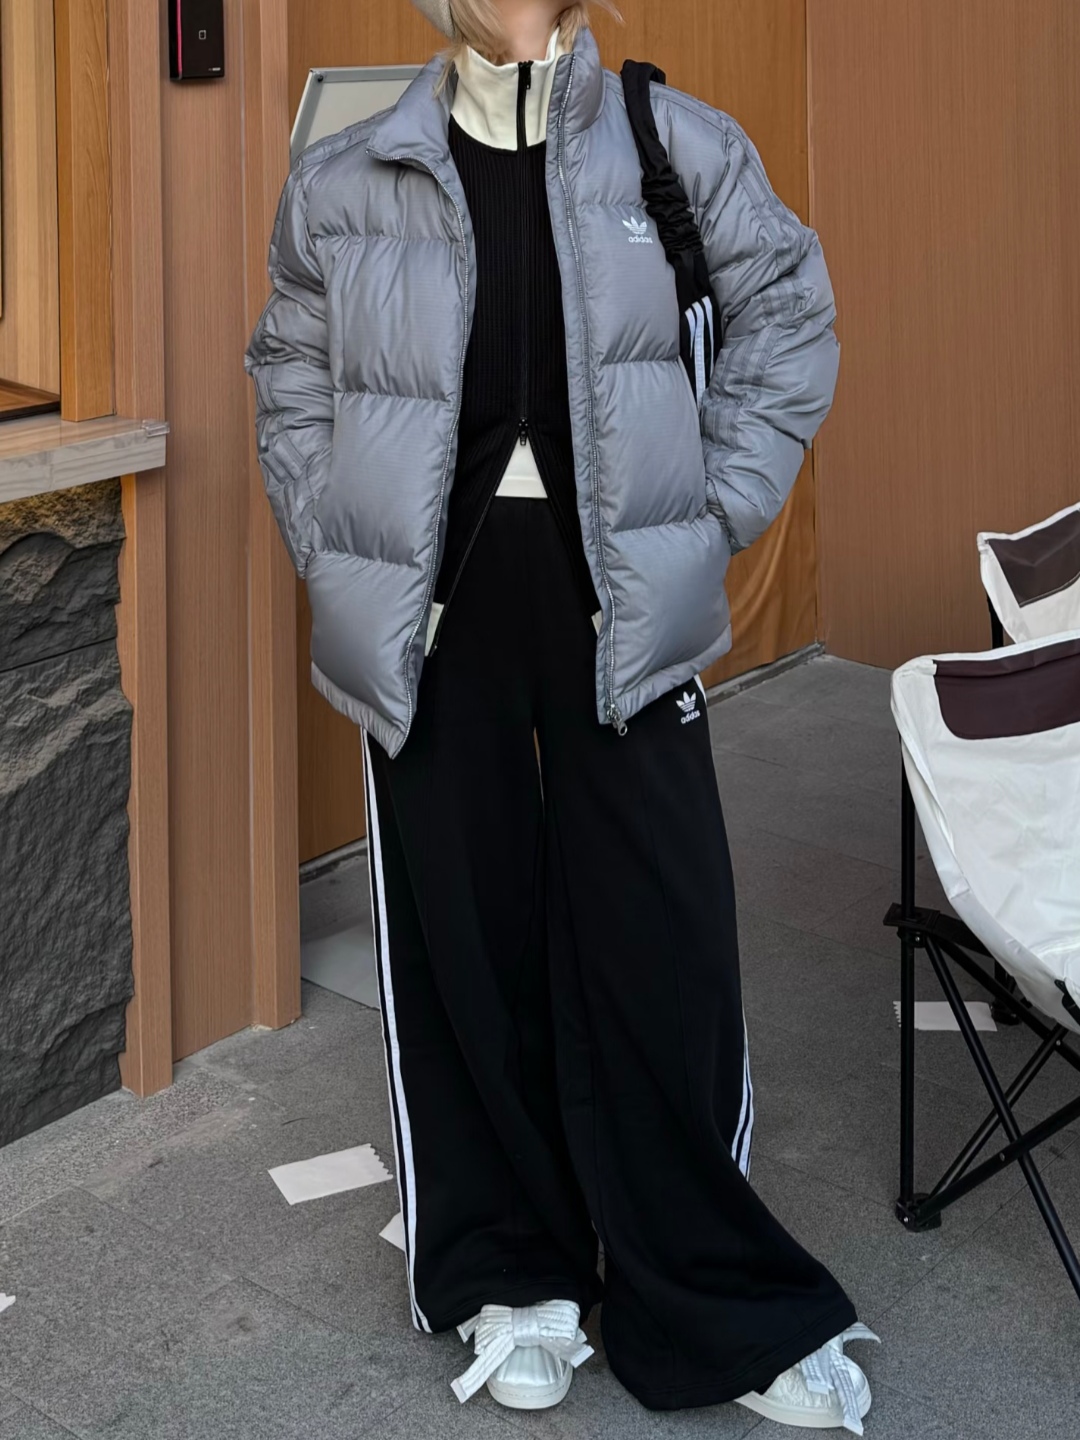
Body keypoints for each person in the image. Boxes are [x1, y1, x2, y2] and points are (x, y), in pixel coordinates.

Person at [244, 0, 880, 1430]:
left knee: (663, 940)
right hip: (436, 610)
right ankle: (511, 1269)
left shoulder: (676, 144)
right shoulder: (352, 172)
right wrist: (333, 532)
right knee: (463, 939)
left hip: (623, 602)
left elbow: (789, 314)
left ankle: (710, 1289)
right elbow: (289, 361)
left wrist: (713, 512)